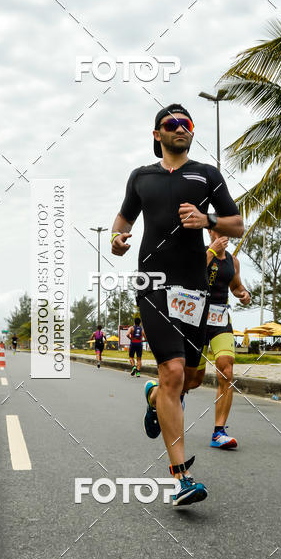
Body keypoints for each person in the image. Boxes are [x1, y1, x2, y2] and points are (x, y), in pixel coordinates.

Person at [111, 104, 244, 507]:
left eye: (187, 124)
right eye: (173, 124)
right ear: (157, 134)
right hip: (152, 285)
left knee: (188, 380)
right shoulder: (141, 177)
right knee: (171, 371)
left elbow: (236, 224)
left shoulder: (206, 175)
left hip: (193, 291)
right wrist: (116, 240)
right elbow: (122, 224)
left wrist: (207, 222)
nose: (181, 128)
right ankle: (182, 477)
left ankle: (153, 397)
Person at [189, 229, 251, 449]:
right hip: (196, 320)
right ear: (210, 231)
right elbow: (190, 275)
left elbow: (235, 286)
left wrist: (244, 294)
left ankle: (219, 432)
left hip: (220, 320)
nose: (222, 233)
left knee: (227, 371)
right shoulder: (200, 253)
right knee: (193, 380)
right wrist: (210, 252)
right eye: (217, 229)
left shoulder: (233, 262)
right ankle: (161, 395)